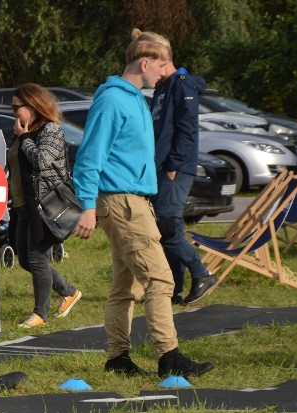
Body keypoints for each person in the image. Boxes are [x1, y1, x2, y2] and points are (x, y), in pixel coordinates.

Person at [72, 29, 214, 379]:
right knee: (160, 279)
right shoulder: (114, 100)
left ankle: (117, 358)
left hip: (133, 200)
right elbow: (90, 156)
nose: (165, 71)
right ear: (145, 61)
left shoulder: (136, 97)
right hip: (122, 202)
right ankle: (169, 357)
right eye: (162, 64)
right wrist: (87, 205)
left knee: (126, 286)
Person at [149, 37, 218, 305]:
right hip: (160, 166)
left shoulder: (181, 84)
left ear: (163, 59)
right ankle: (173, 288)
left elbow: (187, 128)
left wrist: (175, 164)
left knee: (168, 224)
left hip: (175, 168)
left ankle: (202, 273)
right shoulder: (161, 87)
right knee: (166, 225)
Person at [9, 83, 82, 329]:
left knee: (37, 259)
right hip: (23, 204)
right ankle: (68, 292)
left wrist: (25, 138)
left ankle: (40, 314)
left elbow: (42, 160)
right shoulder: (22, 131)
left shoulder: (50, 130)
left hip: (44, 205)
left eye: (16, 107)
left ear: (33, 105)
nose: (13, 112)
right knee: (25, 260)